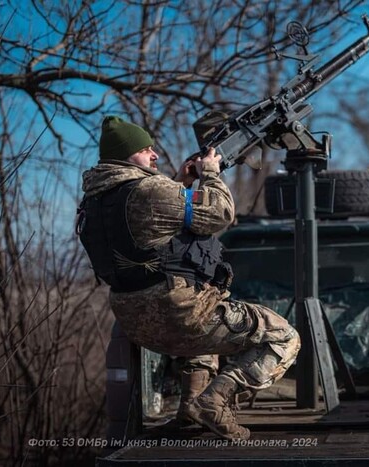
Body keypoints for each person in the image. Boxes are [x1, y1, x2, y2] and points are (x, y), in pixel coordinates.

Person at [76, 116, 300, 440]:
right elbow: (221, 212)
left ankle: (190, 411)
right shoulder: (149, 190)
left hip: (137, 324)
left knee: (203, 318)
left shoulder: (94, 202)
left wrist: (179, 181)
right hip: (180, 313)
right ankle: (216, 398)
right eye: (145, 149)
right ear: (124, 156)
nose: (153, 155)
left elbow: (147, 227)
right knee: (285, 337)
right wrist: (210, 172)